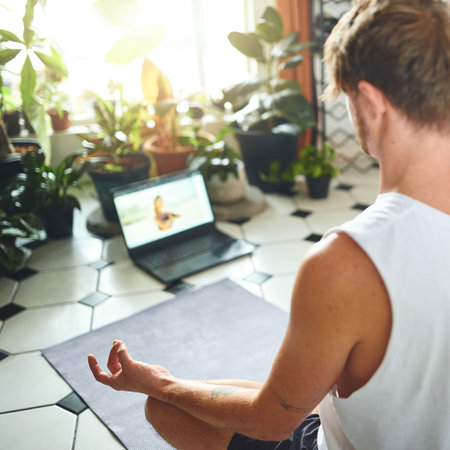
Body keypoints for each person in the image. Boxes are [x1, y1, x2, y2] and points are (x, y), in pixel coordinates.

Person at [87, 1, 450, 448]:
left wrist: (159, 383)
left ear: (372, 102)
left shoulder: (346, 261)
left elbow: (269, 424)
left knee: (165, 407)